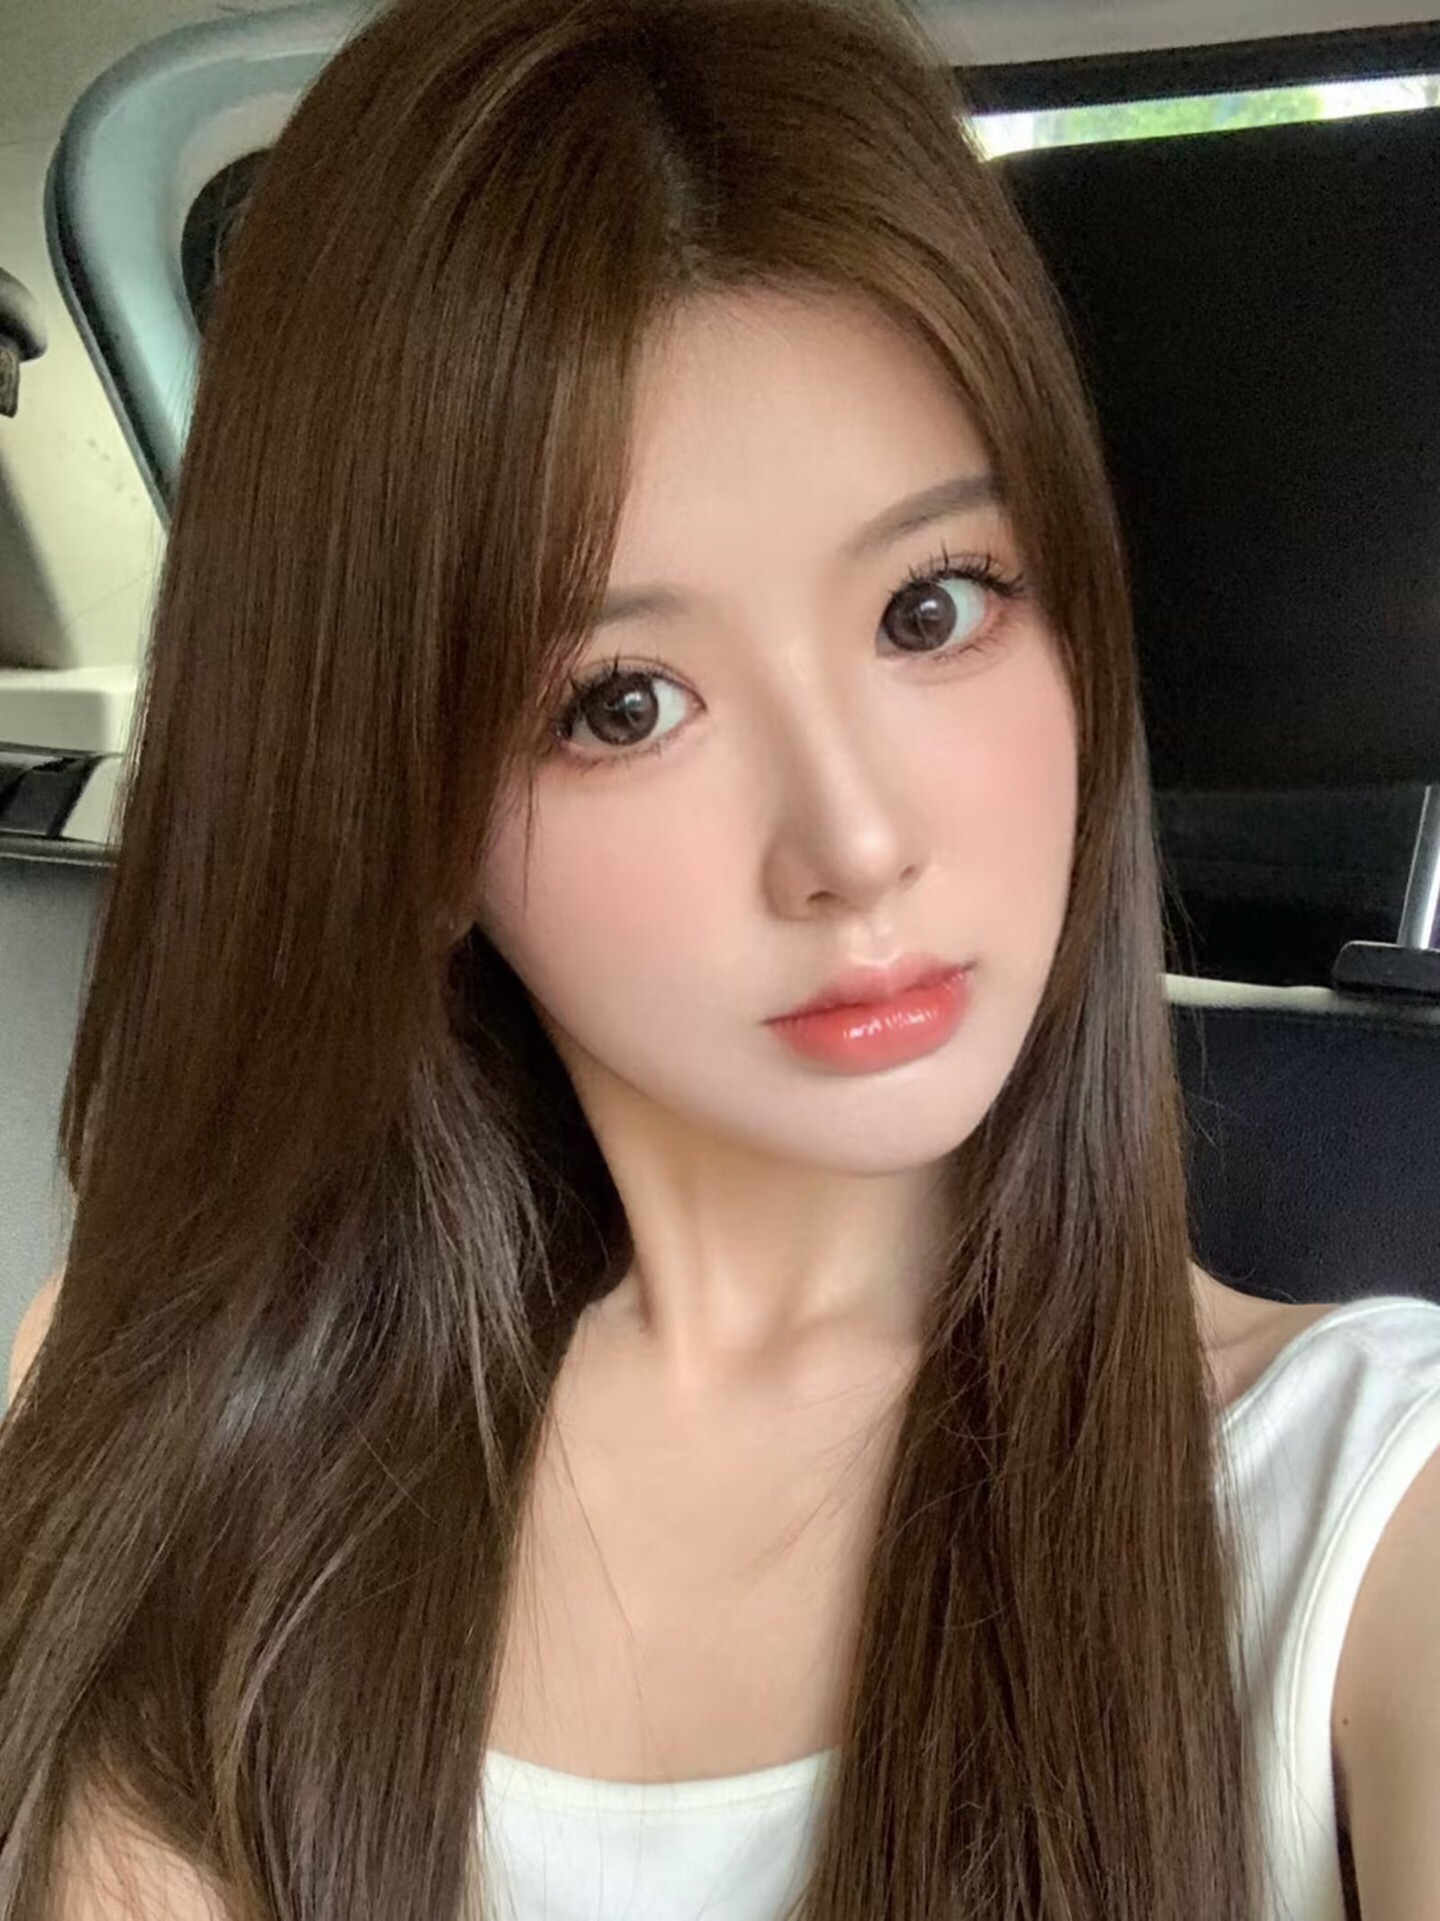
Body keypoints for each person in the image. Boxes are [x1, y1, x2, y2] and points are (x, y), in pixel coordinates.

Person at [2, 0, 1438, 1915]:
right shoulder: (178, 1398)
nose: (854, 842)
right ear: (398, 806)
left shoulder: (1370, 1506)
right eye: (622, 702)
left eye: (934, 605)